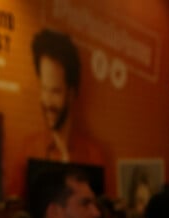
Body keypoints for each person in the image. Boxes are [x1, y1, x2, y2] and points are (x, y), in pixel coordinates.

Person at [10, 28, 106, 197]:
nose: (47, 101)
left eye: (55, 91)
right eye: (44, 89)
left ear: (71, 93)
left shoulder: (94, 154)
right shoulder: (28, 149)